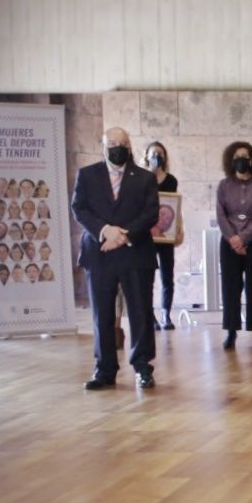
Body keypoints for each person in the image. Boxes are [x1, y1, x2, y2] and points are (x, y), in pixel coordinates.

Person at [72, 127, 159, 390]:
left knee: (140, 312)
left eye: (122, 143)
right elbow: (79, 208)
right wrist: (105, 231)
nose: (117, 147)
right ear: (103, 146)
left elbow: (150, 213)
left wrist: (123, 235)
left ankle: (143, 367)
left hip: (135, 252)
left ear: (130, 146)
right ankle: (104, 369)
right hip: (99, 253)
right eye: (112, 143)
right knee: (103, 314)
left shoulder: (144, 178)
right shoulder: (87, 175)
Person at [216, 141, 252, 350]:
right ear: (231, 161)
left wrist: (244, 238)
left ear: (251, 160)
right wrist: (233, 238)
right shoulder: (223, 186)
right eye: (237, 156)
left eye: (245, 156)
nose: (242, 160)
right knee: (231, 288)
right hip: (229, 242)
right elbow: (221, 215)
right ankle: (231, 332)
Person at [142, 142, 184, 330]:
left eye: (160, 153)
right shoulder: (141, 179)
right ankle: (149, 315)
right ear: (146, 156)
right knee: (147, 277)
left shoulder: (171, 180)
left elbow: (175, 206)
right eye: (153, 153)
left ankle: (166, 314)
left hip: (166, 235)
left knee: (168, 276)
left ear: (165, 156)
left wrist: (179, 229)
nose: (157, 157)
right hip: (147, 235)